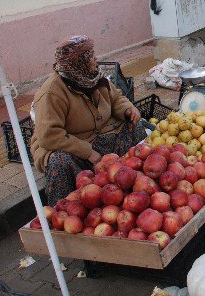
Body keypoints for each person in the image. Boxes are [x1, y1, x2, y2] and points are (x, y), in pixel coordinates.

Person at [30, 36, 144, 206]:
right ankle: (64, 209)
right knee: (59, 162)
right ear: (78, 63)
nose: (95, 59)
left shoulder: (93, 77)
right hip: (72, 149)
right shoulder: (52, 93)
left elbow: (116, 98)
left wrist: (128, 109)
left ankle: (134, 193)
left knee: (135, 126)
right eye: (90, 57)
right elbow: (49, 136)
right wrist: (88, 152)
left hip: (104, 138)